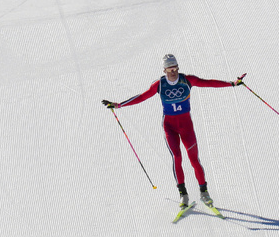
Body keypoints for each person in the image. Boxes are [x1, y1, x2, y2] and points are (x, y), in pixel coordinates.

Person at [102, 54, 243, 208]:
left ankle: (204, 192)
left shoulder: (187, 80)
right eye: (170, 69)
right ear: (164, 70)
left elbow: (208, 83)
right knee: (177, 157)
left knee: (194, 159)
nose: (174, 71)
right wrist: (119, 105)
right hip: (169, 126)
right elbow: (142, 97)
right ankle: (183, 194)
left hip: (186, 126)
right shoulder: (159, 84)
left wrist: (233, 83)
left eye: (175, 68)